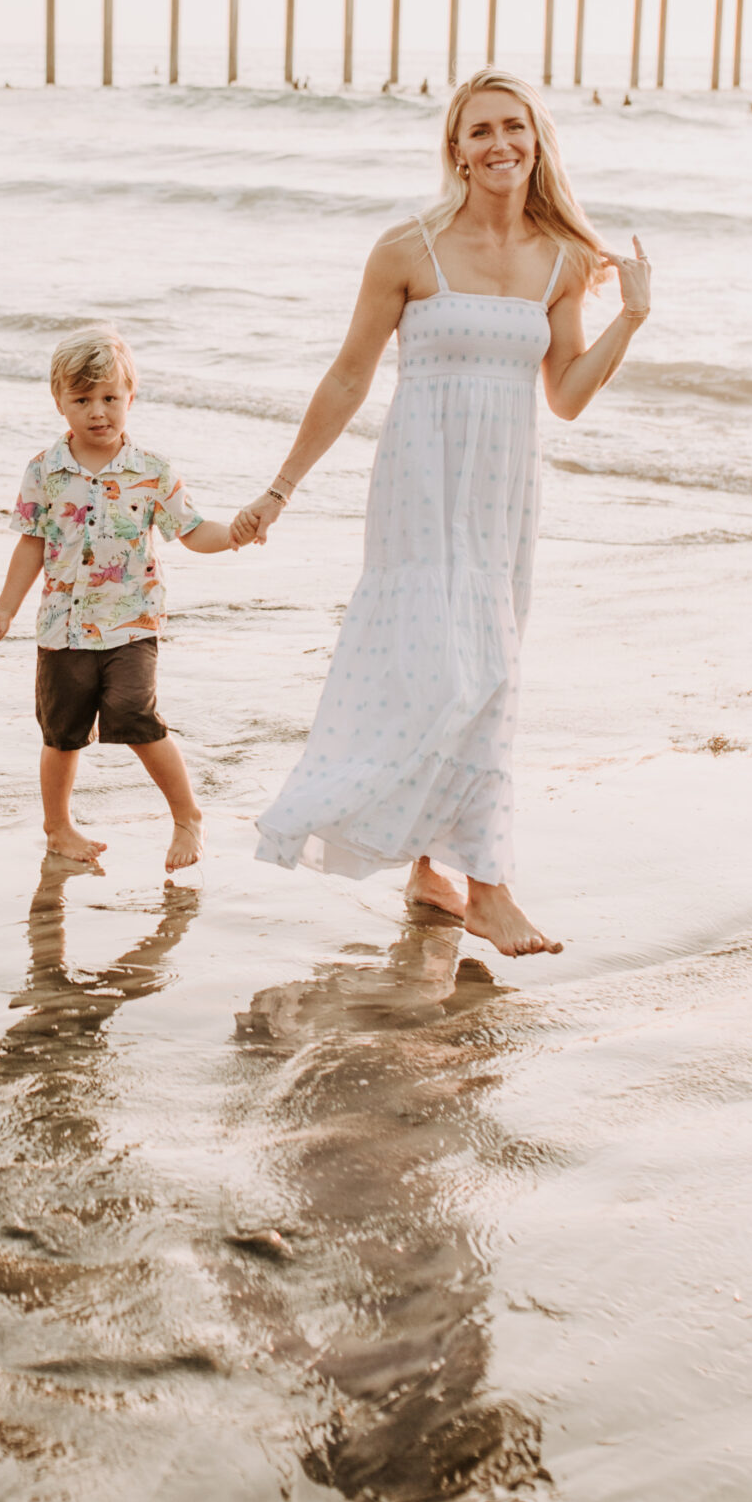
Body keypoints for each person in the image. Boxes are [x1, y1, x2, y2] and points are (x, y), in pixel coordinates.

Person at [233, 68, 652, 956]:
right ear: (455, 149)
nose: (499, 144)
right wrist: (281, 487)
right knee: (441, 667)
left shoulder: (563, 258)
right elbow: (348, 375)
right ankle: (487, 889)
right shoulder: (406, 249)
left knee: (489, 668)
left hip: (502, 493)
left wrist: (633, 320)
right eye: (480, 131)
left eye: (515, 128)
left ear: (536, 142)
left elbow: (566, 394)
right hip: (419, 489)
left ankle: (440, 870)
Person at [0, 325, 236, 872]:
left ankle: (188, 815)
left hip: (131, 624)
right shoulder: (44, 469)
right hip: (62, 626)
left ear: (130, 397)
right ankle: (58, 827)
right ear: (59, 402)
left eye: (111, 398)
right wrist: (4, 609)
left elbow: (195, 531)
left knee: (133, 712)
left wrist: (237, 533)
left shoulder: (152, 471)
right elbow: (31, 544)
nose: (98, 411)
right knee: (62, 731)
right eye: (83, 399)